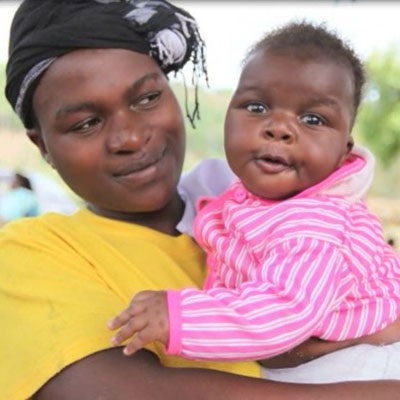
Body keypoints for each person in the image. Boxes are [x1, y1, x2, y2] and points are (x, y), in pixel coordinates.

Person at [2, 1, 400, 398]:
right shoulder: (32, 253)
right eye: (86, 123)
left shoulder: (267, 204)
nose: (131, 137)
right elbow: (123, 391)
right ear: (43, 147)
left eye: (147, 99)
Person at [108, 22, 400, 381]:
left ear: (344, 152)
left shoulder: (316, 224)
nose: (279, 128)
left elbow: (283, 310)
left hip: (365, 361)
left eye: (313, 119)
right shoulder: (248, 199)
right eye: (257, 106)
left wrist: (180, 317)